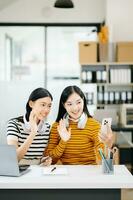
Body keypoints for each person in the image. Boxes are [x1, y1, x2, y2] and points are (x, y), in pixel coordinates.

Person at [44, 85, 114, 165]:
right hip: (67, 174)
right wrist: (63, 141)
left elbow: (102, 160)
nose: (75, 108)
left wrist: (108, 146)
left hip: (88, 173)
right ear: (64, 105)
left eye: (78, 102)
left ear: (83, 101)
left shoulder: (94, 125)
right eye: (69, 104)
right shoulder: (57, 126)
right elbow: (50, 160)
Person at [7, 87, 53, 165]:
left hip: (37, 172)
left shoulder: (47, 128)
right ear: (31, 104)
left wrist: (43, 160)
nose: (46, 110)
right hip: (19, 171)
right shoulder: (14, 124)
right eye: (43, 105)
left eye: (49, 106)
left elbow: (39, 157)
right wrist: (33, 133)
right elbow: (14, 158)